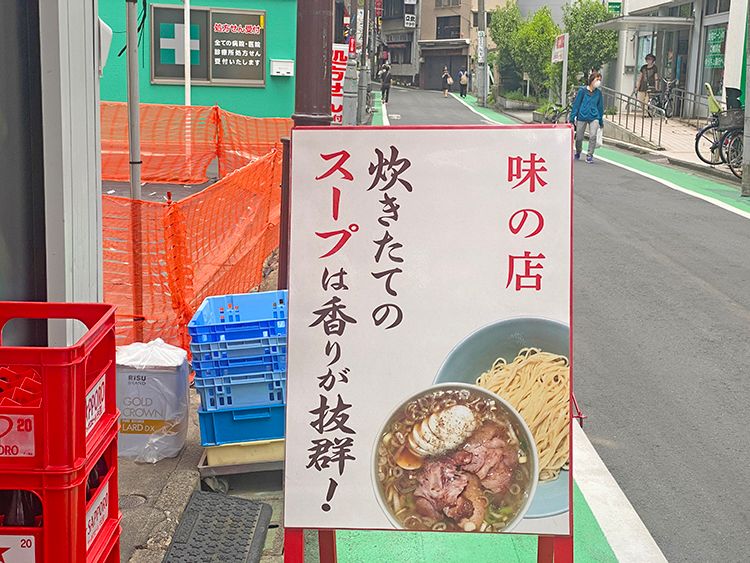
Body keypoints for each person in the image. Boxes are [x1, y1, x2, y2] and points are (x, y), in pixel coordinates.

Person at [569, 71, 604, 163]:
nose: (598, 82)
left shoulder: (598, 93)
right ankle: (578, 151)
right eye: (597, 79)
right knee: (579, 137)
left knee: (593, 136)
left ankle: (589, 155)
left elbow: (600, 107)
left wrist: (600, 120)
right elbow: (576, 104)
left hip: (594, 116)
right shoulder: (582, 91)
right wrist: (572, 117)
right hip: (582, 116)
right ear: (592, 80)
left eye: (600, 80)